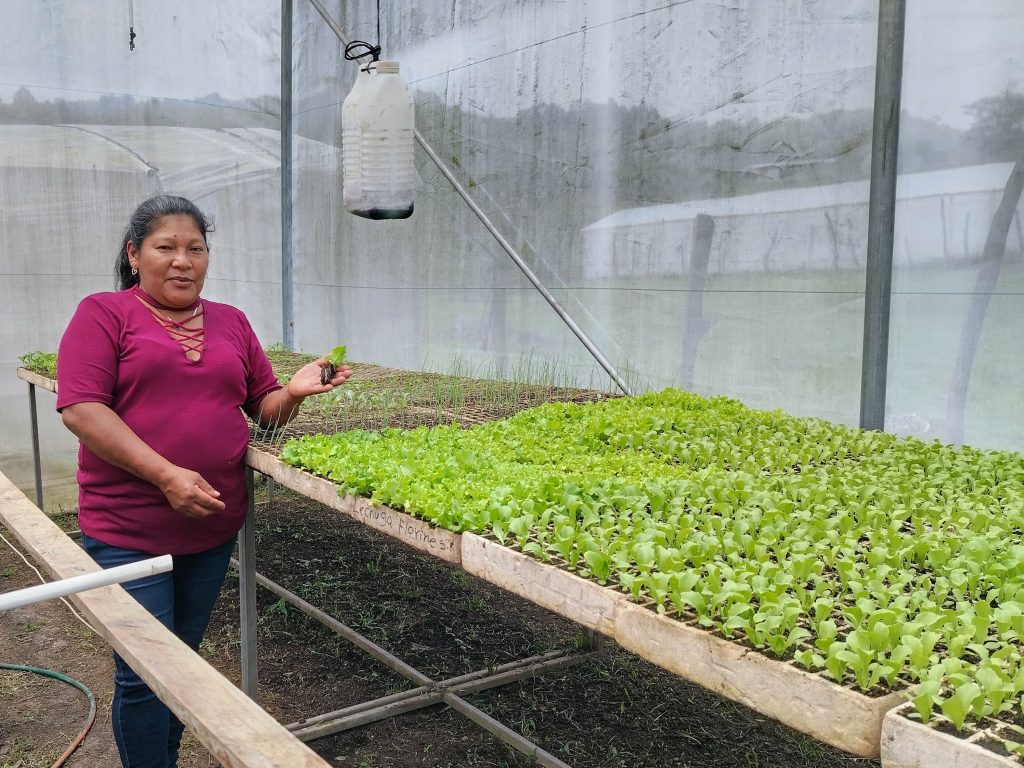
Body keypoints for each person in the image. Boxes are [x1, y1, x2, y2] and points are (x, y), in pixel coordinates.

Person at [55, 194, 352, 768]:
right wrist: (166, 475)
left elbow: (262, 408)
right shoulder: (104, 313)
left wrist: (293, 391)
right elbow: (82, 409)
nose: (182, 261)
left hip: (212, 526)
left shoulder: (232, 322)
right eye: (165, 247)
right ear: (134, 254)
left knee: (183, 664)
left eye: (195, 248)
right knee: (146, 673)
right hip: (128, 529)